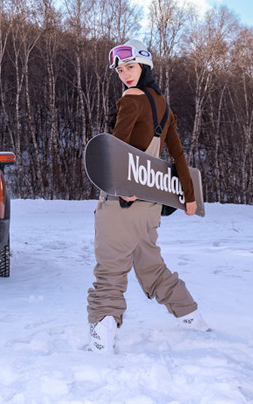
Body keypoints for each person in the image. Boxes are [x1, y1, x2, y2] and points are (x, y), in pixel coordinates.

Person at [86, 39, 210, 354]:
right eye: (120, 70)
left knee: (110, 269)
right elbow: (178, 154)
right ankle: (190, 315)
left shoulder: (132, 98)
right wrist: (189, 196)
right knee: (151, 266)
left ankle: (102, 337)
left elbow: (115, 147)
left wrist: (118, 185)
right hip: (150, 205)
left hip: (122, 200)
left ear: (145, 67)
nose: (124, 75)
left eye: (130, 67)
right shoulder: (163, 105)